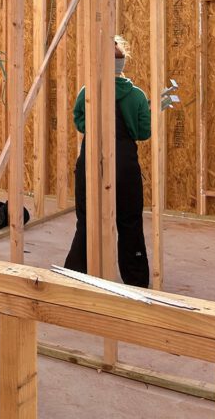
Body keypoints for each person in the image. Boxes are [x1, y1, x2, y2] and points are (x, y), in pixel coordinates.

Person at [63, 35, 151, 287]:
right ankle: (136, 282)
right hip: (125, 167)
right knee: (130, 223)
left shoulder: (88, 92)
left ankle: (75, 277)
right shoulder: (136, 96)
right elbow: (144, 133)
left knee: (87, 220)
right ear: (122, 63)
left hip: (91, 162)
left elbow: (79, 120)